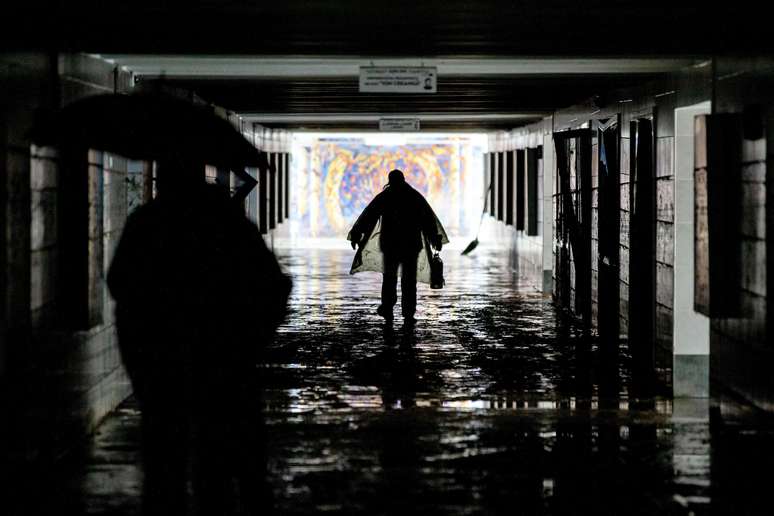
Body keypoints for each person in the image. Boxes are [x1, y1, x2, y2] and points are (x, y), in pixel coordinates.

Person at [107, 158, 291, 515]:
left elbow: (119, 282)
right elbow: (273, 285)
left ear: (163, 184)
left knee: (164, 459)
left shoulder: (146, 223)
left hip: (160, 362)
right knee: (219, 455)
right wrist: (254, 339)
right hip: (223, 359)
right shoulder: (230, 225)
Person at [347, 169, 448, 325]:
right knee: (409, 280)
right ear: (404, 179)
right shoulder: (414, 197)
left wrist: (356, 234)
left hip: (390, 245)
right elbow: (428, 219)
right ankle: (408, 313)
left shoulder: (385, 197)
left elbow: (369, 215)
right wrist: (435, 239)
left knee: (389, 278)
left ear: (390, 180)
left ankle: (387, 307)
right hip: (411, 245)